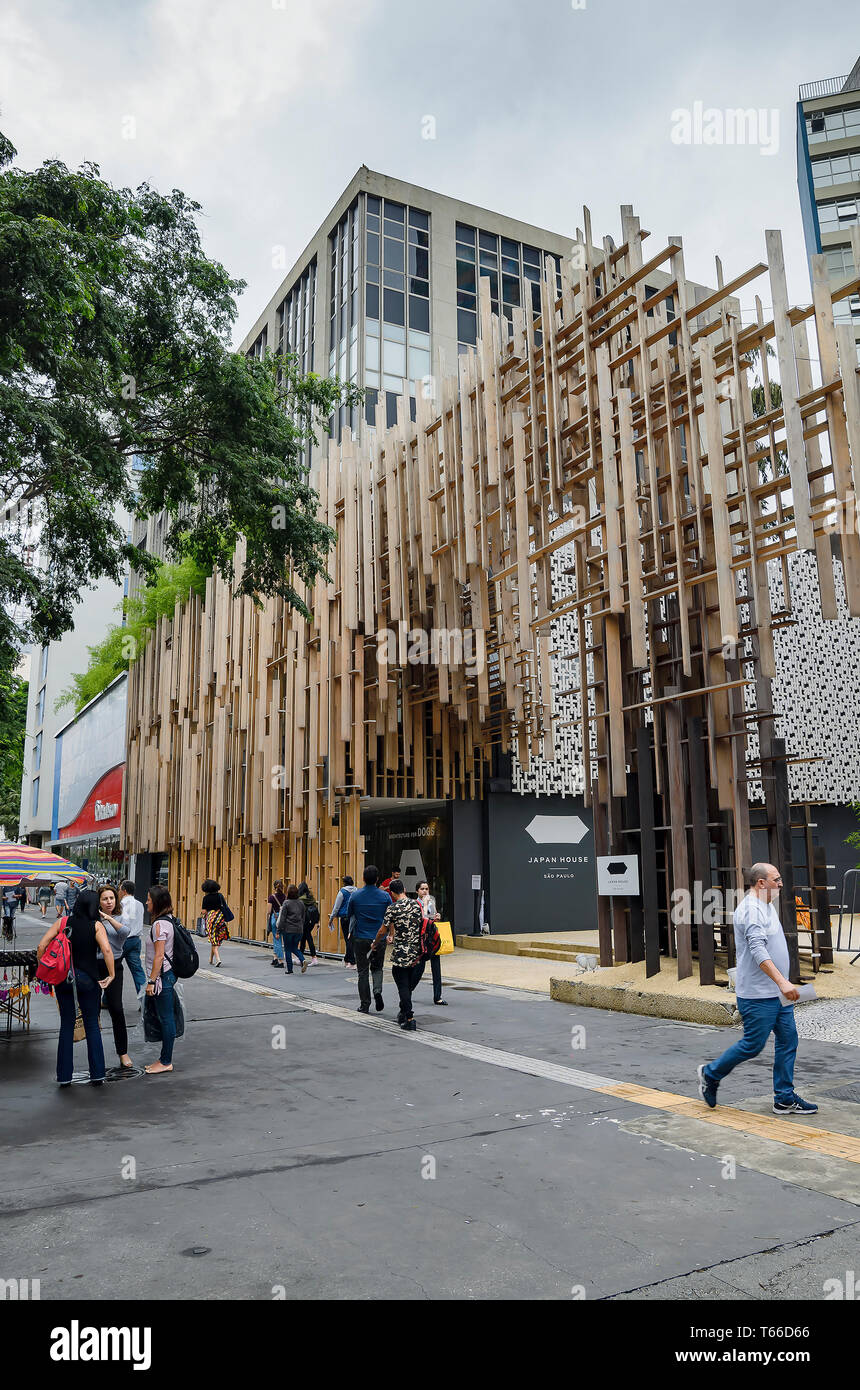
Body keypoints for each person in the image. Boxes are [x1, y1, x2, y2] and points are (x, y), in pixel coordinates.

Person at [698, 863, 818, 1115]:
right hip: (758, 995)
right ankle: (710, 1074)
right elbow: (757, 949)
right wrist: (782, 982)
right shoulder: (751, 910)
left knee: (788, 1040)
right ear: (761, 883)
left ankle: (784, 1097)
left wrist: (783, 985)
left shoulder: (765, 905)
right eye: (777, 879)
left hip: (777, 994)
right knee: (753, 1044)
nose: (781, 883)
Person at [37, 888, 114, 1087]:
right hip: (89, 980)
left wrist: (44, 967)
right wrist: (111, 975)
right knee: (91, 1024)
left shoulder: (63, 922)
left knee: (67, 1024)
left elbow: (42, 946)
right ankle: (97, 1074)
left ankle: (64, 1077)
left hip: (64, 979)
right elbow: (106, 949)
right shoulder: (96, 925)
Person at [372, 879, 423, 1031]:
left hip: (401, 953)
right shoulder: (416, 904)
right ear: (404, 889)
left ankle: (409, 1017)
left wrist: (375, 943)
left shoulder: (393, 908)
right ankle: (404, 1012)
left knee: (403, 985)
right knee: (407, 985)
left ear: (392, 893)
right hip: (416, 952)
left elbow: (383, 930)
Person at [96, 885, 134, 1071]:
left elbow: (125, 933)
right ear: (99, 901)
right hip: (95, 966)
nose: (109, 901)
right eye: (105, 899)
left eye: (111, 898)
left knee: (117, 1009)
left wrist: (108, 918)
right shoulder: (93, 918)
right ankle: (95, 1053)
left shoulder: (120, 917)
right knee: (92, 1010)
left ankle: (123, 1052)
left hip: (115, 967)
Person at [346, 866, 391, 1013]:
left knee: (362, 971)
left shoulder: (356, 896)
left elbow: (349, 914)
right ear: (377, 879)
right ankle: (377, 991)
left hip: (360, 937)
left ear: (363, 878)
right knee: (377, 968)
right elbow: (390, 917)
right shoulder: (385, 896)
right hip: (379, 937)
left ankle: (365, 1004)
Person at [144, 884, 179, 1075]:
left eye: (149, 899)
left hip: (162, 977)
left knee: (166, 1019)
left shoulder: (159, 925)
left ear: (156, 902)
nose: (146, 902)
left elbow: (159, 956)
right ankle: (163, 1058)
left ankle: (166, 1061)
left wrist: (151, 981)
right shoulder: (169, 920)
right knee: (166, 1017)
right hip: (167, 975)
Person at [413, 880, 447, 1006]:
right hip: (421, 940)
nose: (425, 891)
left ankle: (437, 996)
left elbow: (432, 918)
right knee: (419, 969)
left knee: (436, 968)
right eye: (422, 889)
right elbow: (422, 919)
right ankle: (408, 990)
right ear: (417, 891)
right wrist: (426, 905)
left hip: (432, 939)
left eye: (427, 889)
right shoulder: (416, 904)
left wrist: (437, 916)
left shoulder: (431, 902)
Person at [117, 880, 146, 995]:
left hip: (123, 940)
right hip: (135, 940)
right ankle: (145, 1000)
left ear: (124, 891)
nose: (118, 892)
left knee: (113, 969)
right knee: (137, 971)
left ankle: (107, 999)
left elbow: (122, 924)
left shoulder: (121, 904)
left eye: (119, 889)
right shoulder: (139, 904)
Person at [276, 885, 308, 974]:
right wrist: (301, 926)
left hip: (288, 930)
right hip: (299, 930)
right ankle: (303, 959)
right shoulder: (301, 903)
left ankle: (289, 969)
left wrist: (278, 931)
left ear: (288, 893)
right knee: (294, 947)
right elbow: (303, 917)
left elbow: (282, 919)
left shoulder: (286, 903)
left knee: (288, 949)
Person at [329, 875, 357, 968]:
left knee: (347, 939)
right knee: (351, 938)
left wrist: (332, 917)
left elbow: (337, 906)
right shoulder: (357, 891)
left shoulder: (342, 892)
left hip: (345, 917)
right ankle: (347, 959)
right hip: (354, 917)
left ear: (344, 883)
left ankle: (351, 961)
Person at [201, 879, 230, 967]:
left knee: (213, 939)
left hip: (211, 919)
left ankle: (218, 959)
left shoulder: (205, 898)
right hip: (220, 918)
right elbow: (224, 906)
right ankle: (210, 959)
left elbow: (204, 911)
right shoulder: (220, 896)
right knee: (216, 937)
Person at [297, 881, 321, 965]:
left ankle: (314, 958)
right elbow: (316, 910)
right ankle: (301, 958)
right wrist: (318, 921)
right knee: (304, 938)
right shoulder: (311, 897)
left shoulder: (300, 900)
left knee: (307, 937)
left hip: (304, 921)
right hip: (312, 921)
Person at [267, 879, 287, 968]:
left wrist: (267, 919)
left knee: (277, 940)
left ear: (274, 887)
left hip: (275, 919)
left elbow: (268, 911)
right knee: (278, 939)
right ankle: (275, 958)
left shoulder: (271, 897)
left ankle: (280, 961)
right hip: (284, 919)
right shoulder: (285, 897)